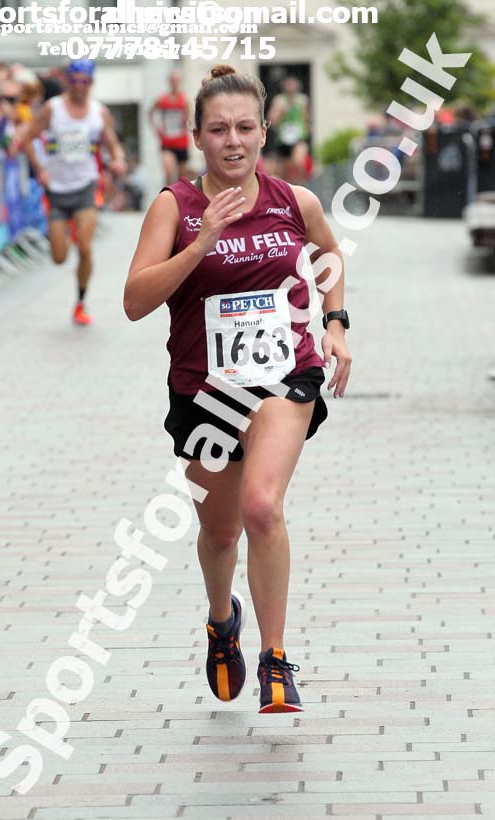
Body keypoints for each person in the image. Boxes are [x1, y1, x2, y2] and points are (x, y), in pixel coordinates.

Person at [124, 65, 352, 713]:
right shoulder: (175, 206)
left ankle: (275, 659)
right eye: (218, 128)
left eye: (245, 128)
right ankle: (221, 618)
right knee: (220, 533)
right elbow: (135, 301)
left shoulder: (293, 201)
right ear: (196, 136)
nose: (233, 140)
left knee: (260, 507)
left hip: (286, 375)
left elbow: (328, 260)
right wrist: (199, 246)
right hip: (205, 390)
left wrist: (334, 325)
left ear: (263, 132)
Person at [24, 59, 127, 325]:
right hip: (57, 190)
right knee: (59, 258)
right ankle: (65, 235)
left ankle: (81, 303)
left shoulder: (99, 112)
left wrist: (118, 159)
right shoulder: (53, 108)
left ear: (91, 83)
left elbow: (112, 143)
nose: (80, 86)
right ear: (68, 81)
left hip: (85, 186)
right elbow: (27, 136)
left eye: (85, 81)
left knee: (84, 246)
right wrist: (39, 169)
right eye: (75, 80)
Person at [149, 69, 192, 185]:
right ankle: (166, 199)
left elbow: (190, 118)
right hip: (167, 142)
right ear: (169, 82)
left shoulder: (184, 100)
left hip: (181, 142)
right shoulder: (163, 99)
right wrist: (156, 128)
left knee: (182, 178)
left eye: (177, 81)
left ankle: (180, 200)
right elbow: (150, 112)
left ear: (180, 82)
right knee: (168, 172)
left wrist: (186, 122)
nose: (175, 83)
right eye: (173, 81)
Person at [267, 75, 311, 182]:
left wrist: (307, 127)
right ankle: (288, 188)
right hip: (283, 139)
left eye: (293, 85)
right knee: (283, 171)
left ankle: (301, 186)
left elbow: (307, 117)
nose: (291, 88)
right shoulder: (279, 101)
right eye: (289, 85)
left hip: (299, 137)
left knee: (298, 162)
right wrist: (281, 112)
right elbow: (271, 120)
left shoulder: (302, 100)